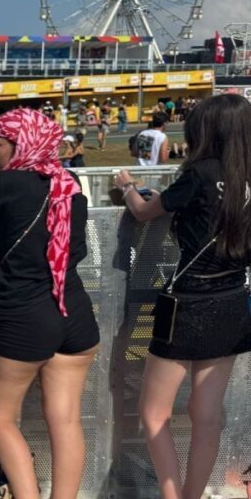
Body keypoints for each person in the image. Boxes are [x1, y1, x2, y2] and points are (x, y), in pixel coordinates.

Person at [0, 108, 99, 499]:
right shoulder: (70, 182)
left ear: (19, 144)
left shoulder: (7, 184)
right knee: (65, 421)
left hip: (25, 316)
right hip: (75, 313)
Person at [113, 94, 251, 499]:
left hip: (188, 305)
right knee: (206, 416)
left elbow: (144, 212)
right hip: (233, 298)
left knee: (154, 414)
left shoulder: (201, 174)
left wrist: (126, 187)